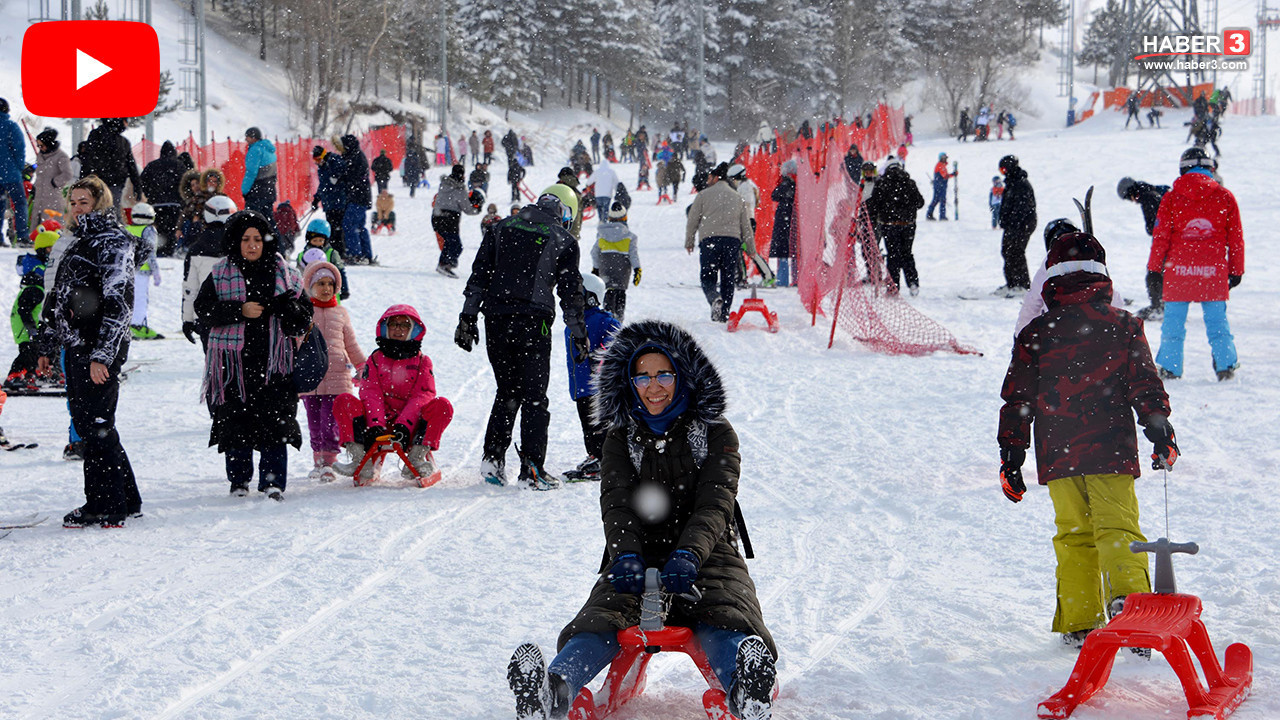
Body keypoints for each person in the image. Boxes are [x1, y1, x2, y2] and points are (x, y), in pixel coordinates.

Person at [507, 320, 777, 720]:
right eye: (643, 377)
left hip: (707, 552)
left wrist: (689, 553)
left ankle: (744, 687)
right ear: (630, 383)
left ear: (681, 376)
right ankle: (554, 688)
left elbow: (714, 504)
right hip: (639, 554)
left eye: (663, 374)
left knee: (725, 610)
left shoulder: (716, 433)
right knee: (605, 614)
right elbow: (617, 505)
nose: (654, 386)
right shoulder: (621, 439)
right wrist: (626, 557)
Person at [998, 230, 1176, 648]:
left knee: (1073, 533)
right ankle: (1130, 606)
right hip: (1110, 446)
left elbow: (1018, 397)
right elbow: (1143, 383)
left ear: (1053, 278)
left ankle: (1081, 620)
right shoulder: (1125, 325)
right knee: (1118, 529)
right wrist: (1158, 427)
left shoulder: (1037, 331)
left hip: (1059, 452)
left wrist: (1012, 452)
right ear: (1102, 277)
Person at [454, 185, 588, 488]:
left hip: (497, 319)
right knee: (534, 397)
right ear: (565, 213)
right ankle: (532, 468)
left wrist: (467, 317)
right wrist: (578, 333)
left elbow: (480, 274)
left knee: (507, 391)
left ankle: (493, 460)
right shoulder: (564, 239)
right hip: (533, 321)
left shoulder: (501, 227)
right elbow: (571, 292)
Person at [35, 176, 141, 526]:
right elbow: (57, 299)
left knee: (96, 425)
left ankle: (106, 504)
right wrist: (47, 344)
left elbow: (119, 302)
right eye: (74, 203)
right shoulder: (77, 241)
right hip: (76, 345)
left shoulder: (112, 241)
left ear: (100, 204)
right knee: (91, 423)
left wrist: (103, 354)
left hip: (98, 348)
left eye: (85, 202)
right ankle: (126, 497)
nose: (78, 209)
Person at [194, 209, 313, 500]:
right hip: (234, 365)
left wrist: (286, 309)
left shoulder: (286, 274)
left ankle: (273, 481)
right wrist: (239, 310)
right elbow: (203, 309)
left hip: (275, 365)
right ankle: (239, 481)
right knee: (236, 424)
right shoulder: (221, 272)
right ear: (235, 241)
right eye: (245, 239)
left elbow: (304, 318)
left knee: (275, 424)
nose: (252, 245)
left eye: (258, 239)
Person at [1148, 148, 1244, 381]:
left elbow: (1160, 236)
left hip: (1178, 271)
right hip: (1213, 272)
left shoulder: (1171, 198)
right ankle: (1225, 365)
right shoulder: (1225, 197)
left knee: (1173, 325)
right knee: (1217, 323)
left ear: (1183, 168)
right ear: (1210, 168)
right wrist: (1236, 271)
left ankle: (1170, 367)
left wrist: (1154, 269)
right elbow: (1236, 239)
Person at [332, 304, 452, 482]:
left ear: (413, 329)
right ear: (385, 328)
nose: (398, 329)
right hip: (376, 425)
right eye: (393, 324)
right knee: (344, 401)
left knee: (442, 406)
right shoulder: (374, 360)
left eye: (404, 325)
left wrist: (404, 425)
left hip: (410, 427)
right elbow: (371, 393)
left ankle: (417, 458)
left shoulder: (423, 361)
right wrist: (375, 425)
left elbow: (422, 396)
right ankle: (359, 459)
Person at [299, 260, 366, 482]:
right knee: (314, 422)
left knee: (331, 421)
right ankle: (318, 460)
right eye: (321, 284)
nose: (326, 288)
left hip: (338, 378)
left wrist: (362, 366)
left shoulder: (341, 313)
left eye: (330, 284)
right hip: (311, 379)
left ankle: (329, 462)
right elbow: (295, 345)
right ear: (310, 286)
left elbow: (351, 344)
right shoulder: (304, 313)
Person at [1014, 219, 1126, 336]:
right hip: (1097, 328)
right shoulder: (1093, 259)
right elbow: (1114, 299)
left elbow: (1032, 302)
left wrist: (1020, 336)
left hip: (1060, 331)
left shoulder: (1051, 262)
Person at [560, 274, 620, 482]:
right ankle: (595, 455)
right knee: (587, 424)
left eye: (578, 295)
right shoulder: (575, 322)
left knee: (598, 425)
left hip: (597, 386)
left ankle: (605, 459)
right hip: (580, 385)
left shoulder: (604, 320)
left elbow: (617, 341)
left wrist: (600, 360)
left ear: (591, 297)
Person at [687, 164, 754, 322]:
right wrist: (751, 247)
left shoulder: (703, 195)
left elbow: (692, 220)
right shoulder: (737, 197)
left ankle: (714, 297)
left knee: (708, 277)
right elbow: (746, 225)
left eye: (710, 177)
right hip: (732, 242)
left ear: (717, 178)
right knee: (728, 277)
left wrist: (689, 240)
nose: (708, 180)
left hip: (709, 240)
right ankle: (724, 313)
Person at [182, 195, 237, 345]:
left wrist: (187, 319)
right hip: (236, 314)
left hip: (205, 314)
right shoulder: (241, 247)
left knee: (213, 363)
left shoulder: (196, 249)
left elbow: (190, 288)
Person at [5, 231, 57, 390]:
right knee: (29, 352)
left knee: (38, 350)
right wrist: (31, 329)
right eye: (50, 249)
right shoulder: (35, 286)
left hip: (33, 324)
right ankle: (14, 376)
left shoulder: (41, 278)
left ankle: (32, 374)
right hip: (25, 325)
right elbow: (24, 309)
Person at [865, 158, 925, 296]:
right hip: (908, 225)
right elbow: (920, 202)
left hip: (889, 225)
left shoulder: (881, 183)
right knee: (907, 253)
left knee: (893, 256)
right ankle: (913, 282)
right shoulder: (909, 183)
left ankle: (893, 287)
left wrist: (875, 219)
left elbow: (873, 206)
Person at [1117, 176, 1170, 319]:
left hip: (1164, 240)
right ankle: (1163, 305)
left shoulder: (1148, 197)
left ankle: (1158, 307)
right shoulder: (1154, 191)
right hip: (1170, 239)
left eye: (1129, 198)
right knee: (1163, 271)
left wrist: (1152, 229)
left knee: (1155, 271)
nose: (1132, 201)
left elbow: (1153, 226)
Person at [78, 118, 141, 217]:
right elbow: (131, 165)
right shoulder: (123, 142)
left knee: (95, 212)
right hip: (114, 183)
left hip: (97, 182)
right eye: (125, 121)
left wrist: (83, 180)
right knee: (112, 213)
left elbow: (88, 160)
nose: (126, 125)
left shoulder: (96, 135)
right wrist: (137, 185)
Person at [592, 202, 641, 321]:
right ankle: (618, 320)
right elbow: (633, 255)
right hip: (622, 271)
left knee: (608, 292)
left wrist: (596, 268)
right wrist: (637, 269)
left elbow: (595, 252)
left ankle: (607, 317)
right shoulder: (630, 237)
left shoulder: (602, 234)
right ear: (625, 218)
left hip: (605, 268)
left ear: (609, 218)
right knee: (620, 294)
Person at [995, 154, 1036, 296]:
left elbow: (1023, 208)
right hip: (1012, 225)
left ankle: (1023, 285)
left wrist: (1014, 222)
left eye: (1004, 170)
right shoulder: (1012, 183)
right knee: (1007, 251)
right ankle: (1012, 283)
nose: (1003, 173)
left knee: (1016, 252)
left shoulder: (1021, 184)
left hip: (1022, 224)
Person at [432, 165, 482, 277]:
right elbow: (467, 209)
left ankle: (443, 263)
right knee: (456, 245)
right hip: (450, 219)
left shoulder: (443, 184)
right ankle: (447, 265)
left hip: (437, 216)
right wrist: (477, 209)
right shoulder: (459, 190)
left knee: (449, 242)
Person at [124, 203, 164, 340]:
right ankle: (138, 326)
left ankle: (129, 325)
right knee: (141, 298)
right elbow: (150, 251)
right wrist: (156, 270)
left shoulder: (127, 229)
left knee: (129, 298)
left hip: (128, 269)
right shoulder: (148, 230)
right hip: (142, 270)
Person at [138, 141, 186, 254]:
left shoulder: (152, 165)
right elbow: (185, 184)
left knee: (158, 228)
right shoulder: (179, 165)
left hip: (155, 204)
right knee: (171, 228)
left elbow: (143, 182)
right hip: (174, 203)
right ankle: (170, 250)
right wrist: (181, 198)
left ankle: (158, 248)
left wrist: (149, 195)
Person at [31, 128, 73, 240]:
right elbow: (40, 175)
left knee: (52, 222)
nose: (40, 148)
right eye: (38, 146)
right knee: (37, 220)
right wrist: (35, 186)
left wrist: (55, 182)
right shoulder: (40, 156)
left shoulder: (61, 156)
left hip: (53, 196)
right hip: (39, 195)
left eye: (42, 145)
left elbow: (68, 174)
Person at [338, 134, 374, 263]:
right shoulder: (354, 155)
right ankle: (366, 254)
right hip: (360, 197)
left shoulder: (356, 158)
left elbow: (354, 178)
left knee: (349, 225)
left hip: (358, 197)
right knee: (359, 226)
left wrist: (341, 178)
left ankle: (355, 254)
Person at [295, 218, 351, 301]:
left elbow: (340, 272)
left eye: (321, 240)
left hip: (329, 293)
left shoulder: (332, 254)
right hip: (309, 294)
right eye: (315, 240)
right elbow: (298, 275)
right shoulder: (302, 255)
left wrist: (344, 288)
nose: (318, 243)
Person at [311, 145, 348, 256]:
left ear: (323, 155)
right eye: (315, 160)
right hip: (329, 203)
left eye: (318, 159)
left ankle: (341, 251)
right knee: (331, 228)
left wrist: (335, 174)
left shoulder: (334, 161)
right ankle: (333, 251)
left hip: (339, 201)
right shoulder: (322, 168)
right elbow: (323, 185)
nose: (317, 162)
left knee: (338, 228)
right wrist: (317, 198)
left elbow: (341, 172)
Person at [769, 159, 798, 287]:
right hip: (795, 220)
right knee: (795, 252)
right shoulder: (798, 184)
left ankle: (783, 279)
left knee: (783, 252)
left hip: (784, 221)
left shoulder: (785, 184)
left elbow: (774, 195)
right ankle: (796, 278)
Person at [241, 127, 278, 223]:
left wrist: (245, 190)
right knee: (268, 221)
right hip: (269, 191)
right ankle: (274, 237)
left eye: (247, 137)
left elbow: (251, 173)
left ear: (254, 137)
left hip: (257, 193)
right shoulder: (269, 150)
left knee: (251, 221)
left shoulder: (255, 150)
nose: (246, 139)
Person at [925, 152, 954, 221]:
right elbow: (945, 176)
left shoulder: (941, 165)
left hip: (940, 185)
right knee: (941, 200)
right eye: (943, 158)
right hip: (940, 186)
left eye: (945, 158)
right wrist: (953, 174)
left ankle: (930, 214)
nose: (944, 159)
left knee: (936, 199)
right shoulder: (940, 166)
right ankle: (942, 216)